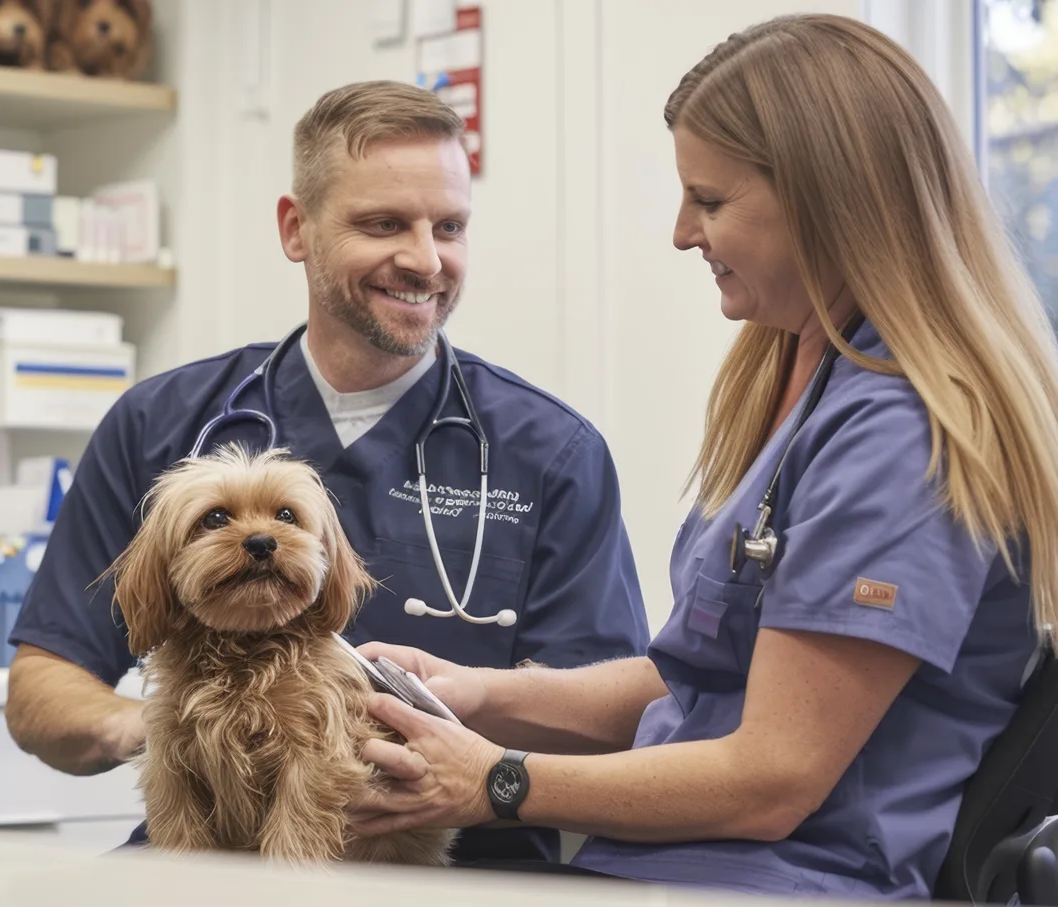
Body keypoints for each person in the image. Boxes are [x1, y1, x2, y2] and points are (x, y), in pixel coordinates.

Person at [349, 14, 1058, 899]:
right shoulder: (801, 381)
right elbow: (691, 681)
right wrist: (480, 694)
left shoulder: (900, 433)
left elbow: (772, 776)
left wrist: (496, 779)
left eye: (711, 201)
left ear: (825, 197)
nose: (684, 233)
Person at [3, 80, 651, 866]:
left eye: (448, 226)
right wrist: (170, 729)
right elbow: (42, 685)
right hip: (200, 854)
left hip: (453, 869)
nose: (424, 259)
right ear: (295, 228)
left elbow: (619, 718)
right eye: (382, 224)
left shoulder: (550, 451)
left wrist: (464, 735)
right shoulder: (159, 421)